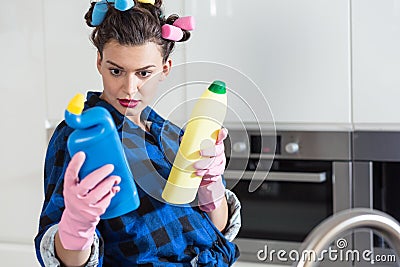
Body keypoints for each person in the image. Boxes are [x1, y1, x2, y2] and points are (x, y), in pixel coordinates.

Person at [34, 0, 241, 266]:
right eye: (116, 71)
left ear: (165, 68)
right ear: (99, 62)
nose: (129, 88)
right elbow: (65, 259)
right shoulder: (82, 135)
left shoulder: (170, 134)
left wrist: (211, 187)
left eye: (144, 73)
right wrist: (77, 224)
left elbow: (217, 230)